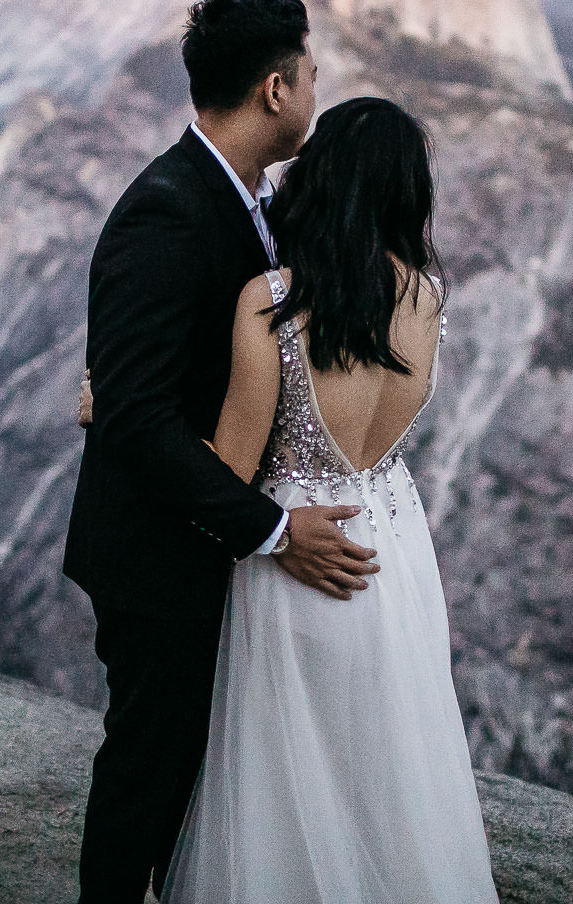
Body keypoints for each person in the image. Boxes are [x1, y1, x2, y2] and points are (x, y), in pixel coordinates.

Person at [63, 0, 381, 904]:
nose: (317, 95)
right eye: (313, 78)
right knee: (149, 777)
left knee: (204, 776)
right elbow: (139, 418)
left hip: (206, 537)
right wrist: (277, 529)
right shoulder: (167, 209)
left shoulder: (250, 199)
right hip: (161, 553)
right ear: (277, 90)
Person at [161, 98, 500, 903]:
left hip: (296, 560)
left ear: (324, 180)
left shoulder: (273, 300)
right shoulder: (425, 297)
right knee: (382, 777)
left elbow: (227, 474)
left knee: (286, 785)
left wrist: (133, 410)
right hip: (392, 555)